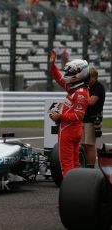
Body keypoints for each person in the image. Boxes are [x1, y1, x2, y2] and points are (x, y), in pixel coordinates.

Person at [49, 49, 90, 177]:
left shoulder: (80, 92)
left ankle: (70, 192)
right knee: (75, 164)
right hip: (74, 130)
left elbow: (78, 116)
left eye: (70, 72)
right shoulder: (76, 88)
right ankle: (77, 190)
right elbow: (60, 79)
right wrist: (52, 65)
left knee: (66, 166)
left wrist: (59, 116)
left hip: (69, 130)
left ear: (79, 73)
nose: (67, 73)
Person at [81, 66, 105, 168]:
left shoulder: (98, 87)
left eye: (88, 78)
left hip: (92, 119)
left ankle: (90, 167)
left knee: (90, 145)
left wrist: (84, 91)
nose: (87, 80)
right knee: (83, 145)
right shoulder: (89, 87)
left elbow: (91, 102)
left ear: (94, 77)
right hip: (84, 118)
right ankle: (86, 164)